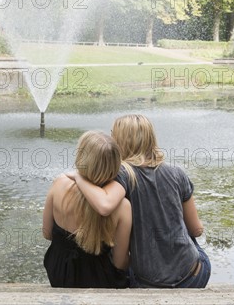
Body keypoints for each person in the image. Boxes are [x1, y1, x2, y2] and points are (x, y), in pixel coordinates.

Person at [67, 115, 211, 288]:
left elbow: (104, 204)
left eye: (113, 134)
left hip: (148, 282)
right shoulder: (177, 173)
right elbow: (196, 229)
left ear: (120, 140)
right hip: (193, 276)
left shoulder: (123, 173)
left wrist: (79, 177)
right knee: (191, 241)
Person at [42, 131, 132, 288]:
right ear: (116, 163)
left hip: (59, 270)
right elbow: (120, 262)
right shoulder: (122, 206)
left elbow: (47, 233)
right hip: (98, 278)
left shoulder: (59, 184)